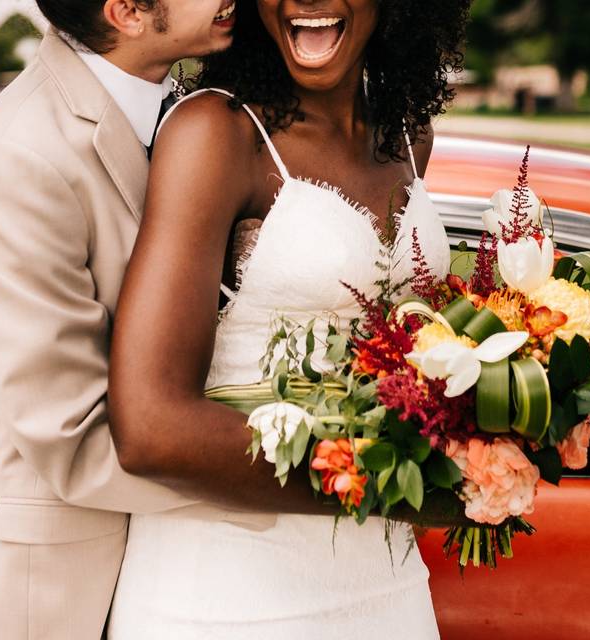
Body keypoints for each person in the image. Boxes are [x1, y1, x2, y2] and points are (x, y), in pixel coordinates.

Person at [106, 0, 471, 637]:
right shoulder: (216, 133)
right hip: (229, 590)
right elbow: (149, 425)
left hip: (386, 585)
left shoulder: (408, 135)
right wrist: (396, 479)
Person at [0, 1, 241, 638]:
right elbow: (71, 434)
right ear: (128, 13)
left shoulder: (205, 112)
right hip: (42, 597)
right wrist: (304, 469)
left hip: (185, 576)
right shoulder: (13, 157)